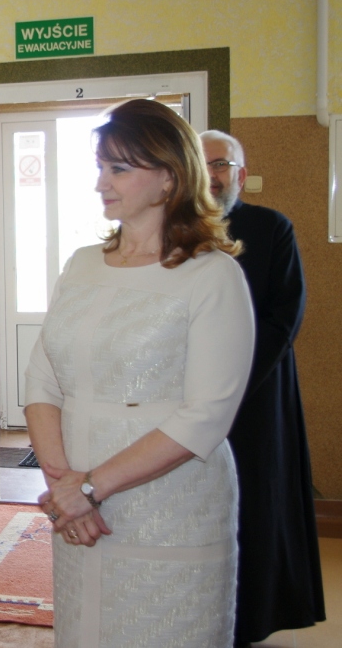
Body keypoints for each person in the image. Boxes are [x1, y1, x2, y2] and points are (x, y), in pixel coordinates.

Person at [25, 100, 255, 647]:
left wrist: (90, 487)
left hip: (168, 504)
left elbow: (207, 414)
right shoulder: (82, 263)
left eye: (119, 168)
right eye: (100, 167)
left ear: (170, 177)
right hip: (76, 501)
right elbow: (42, 381)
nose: (100, 183)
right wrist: (63, 485)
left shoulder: (212, 275)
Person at [200, 130, 325, 646]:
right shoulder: (173, 230)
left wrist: (230, 383)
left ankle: (251, 617)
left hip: (258, 393)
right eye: (202, 164)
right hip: (188, 394)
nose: (212, 175)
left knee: (256, 500)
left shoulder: (272, 228)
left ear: (241, 175)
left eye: (221, 165)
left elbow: (284, 316)